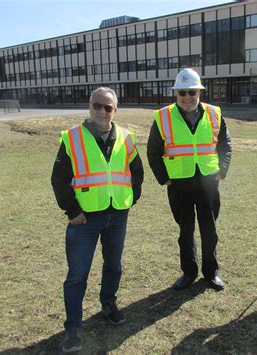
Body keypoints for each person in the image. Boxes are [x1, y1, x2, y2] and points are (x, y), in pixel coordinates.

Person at [51, 87, 144, 353]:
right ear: (89, 107)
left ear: (115, 110)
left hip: (117, 214)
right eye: (97, 106)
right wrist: (72, 212)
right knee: (77, 276)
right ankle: (73, 329)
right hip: (84, 219)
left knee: (114, 265)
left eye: (108, 107)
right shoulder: (72, 138)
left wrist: (130, 198)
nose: (102, 112)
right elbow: (58, 179)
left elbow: (136, 171)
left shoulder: (126, 137)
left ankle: (108, 304)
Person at [147, 68, 232, 291]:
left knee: (209, 231)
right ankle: (189, 272)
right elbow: (153, 151)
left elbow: (225, 145)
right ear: (176, 94)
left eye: (192, 92)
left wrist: (222, 170)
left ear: (199, 93)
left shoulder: (215, 114)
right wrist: (164, 179)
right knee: (185, 231)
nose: (187, 97)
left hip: (208, 184)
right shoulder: (163, 117)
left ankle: (211, 272)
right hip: (179, 186)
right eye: (182, 92)